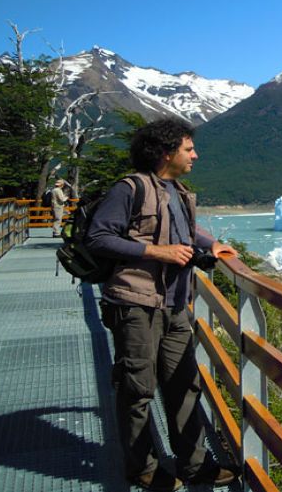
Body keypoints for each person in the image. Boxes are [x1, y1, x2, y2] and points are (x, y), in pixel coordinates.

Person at [85, 118, 239, 492]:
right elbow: (99, 237)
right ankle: (144, 469)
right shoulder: (130, 189)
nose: (195, 155)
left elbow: (185, 231)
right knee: (138, 388)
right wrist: (156, 251)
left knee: (184, 385)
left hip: (173, 304)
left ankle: (195, 465)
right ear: (167, 152)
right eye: (189, 149)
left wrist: (211, 244)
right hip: (136, 303)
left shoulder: (176, 191)